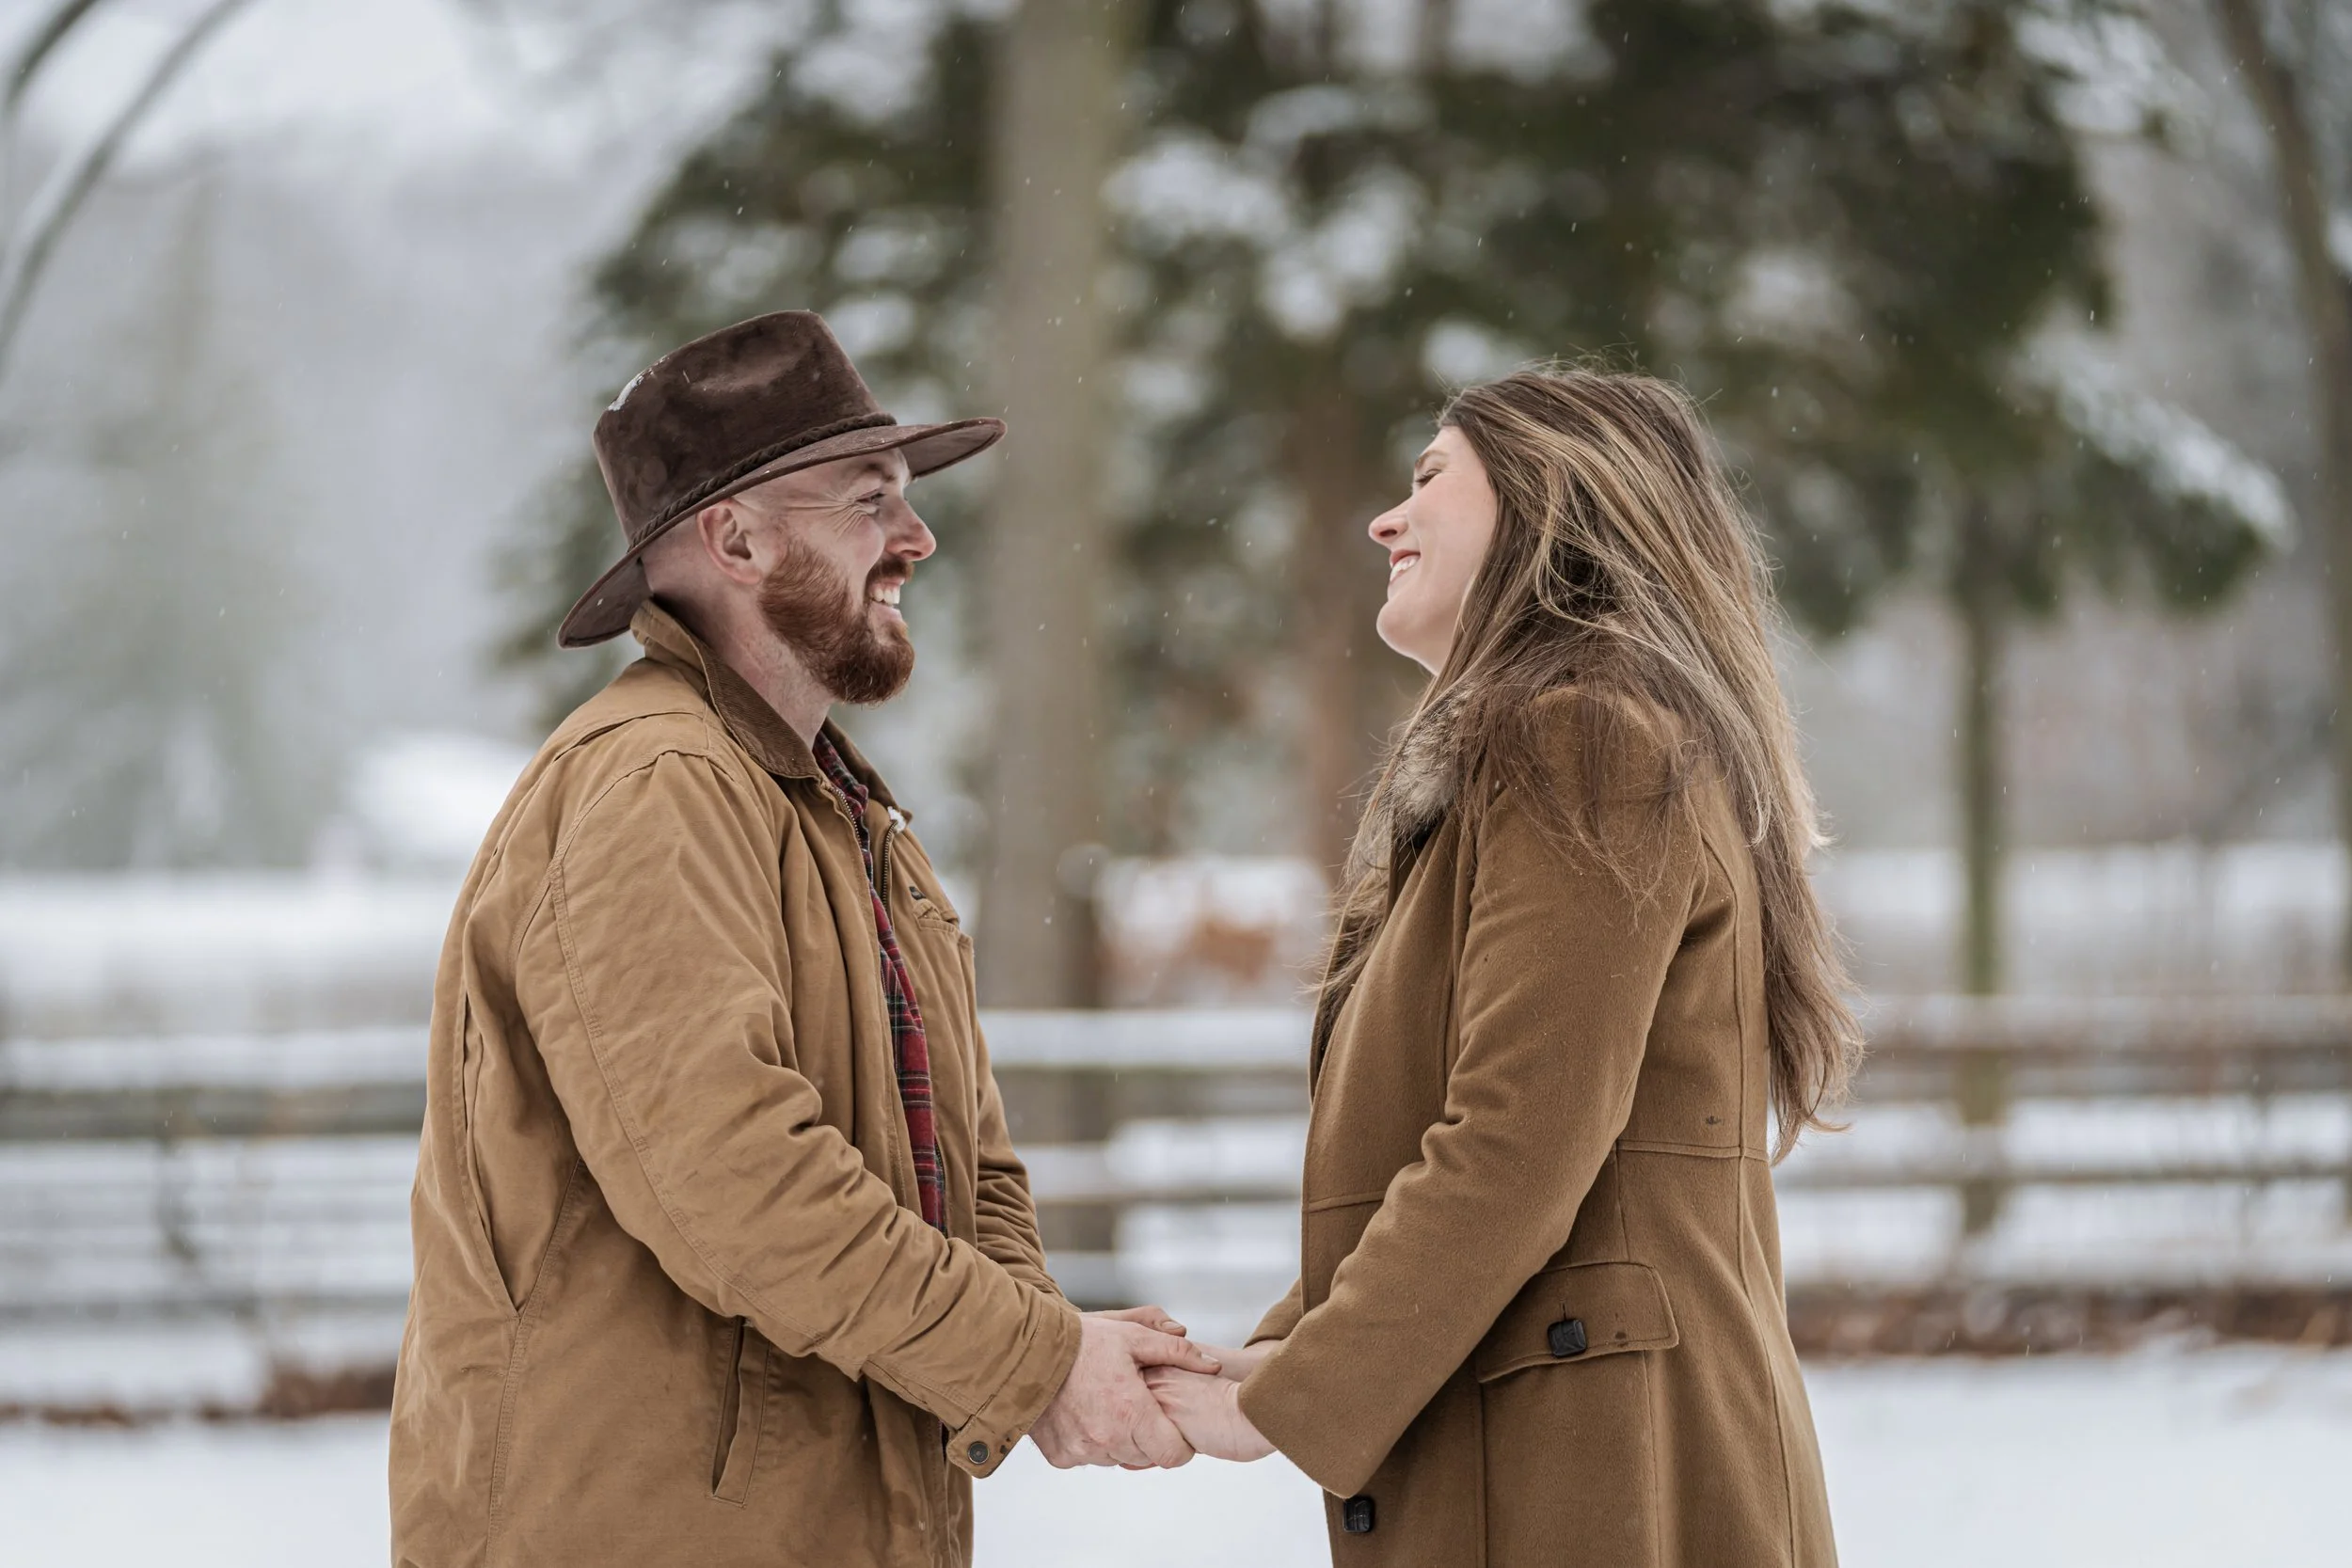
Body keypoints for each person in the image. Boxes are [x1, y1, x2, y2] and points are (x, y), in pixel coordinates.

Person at [389, 312, 1216, 1568]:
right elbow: (732, 1180)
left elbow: (967, 1161)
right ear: (738, 536)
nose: (917, 536)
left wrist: (1048, 1343)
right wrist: (1036, 1360)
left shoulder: (841, 811)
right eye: (872, 499)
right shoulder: (655, 782)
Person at [1146, 366, 1861, 1566]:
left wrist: (1295, 1391)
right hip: (1578, 1451)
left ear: (1547, 502)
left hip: (1590, 1473)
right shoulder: (1571, 739)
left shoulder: (1581, 734)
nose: (1385, 516)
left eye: (1429, 476)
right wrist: (1294, 1340)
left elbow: (1518, 1138)